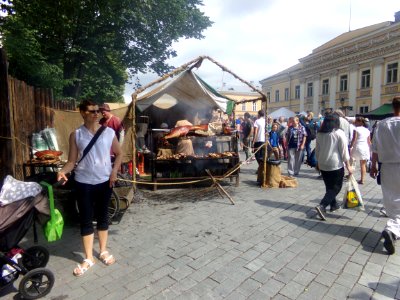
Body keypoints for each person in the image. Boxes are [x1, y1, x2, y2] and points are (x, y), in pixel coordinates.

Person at [57, 100, 122, 276]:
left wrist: (114, 171)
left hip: (104, 181)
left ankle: (103, 251)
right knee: (85, 219)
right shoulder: (76, 135)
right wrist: (62, 171)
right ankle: (88, 258)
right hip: (83, 182)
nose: (96, 114)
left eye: (98, 111)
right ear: (83, 113)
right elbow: (71, 161)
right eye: (92, 111)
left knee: (103, 217)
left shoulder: (108, 132)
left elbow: (119, 153)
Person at [370, 96, 400, 255]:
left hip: (387, 167)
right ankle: (392, 229)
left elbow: (375, 148)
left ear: (392, 108)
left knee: (391, 200)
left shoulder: (381, 124)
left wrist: (373, 165)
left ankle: (393, 229)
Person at [315, 113, 353, 220]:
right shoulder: (339, 133)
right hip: (335, 164)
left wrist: (318, 163)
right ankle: (322, 205)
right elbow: (344, 151)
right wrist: (348, 166)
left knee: (329, 186)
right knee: (336, 187)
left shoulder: (320, 133)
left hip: (323, 163)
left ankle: (333, 205)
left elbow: (317, 150)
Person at [350, 117, 371, 184]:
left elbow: (354, 139)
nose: (355, 123)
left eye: (356, 121)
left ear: (359, 122)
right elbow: (369, 141)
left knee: (353, 162)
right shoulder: (367, 130)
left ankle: (350, 176)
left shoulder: (355, 129)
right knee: (363, 164)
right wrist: (371, 149)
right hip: (365, 148)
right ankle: (362, 180)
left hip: (357, 147)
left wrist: (351, 146)